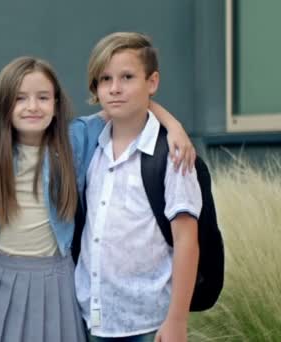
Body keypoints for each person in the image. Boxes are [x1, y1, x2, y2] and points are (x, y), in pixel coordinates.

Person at [0, 56, 195, 342]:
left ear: (56, 103)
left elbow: (126, 106)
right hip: (4, 277)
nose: (32, 107)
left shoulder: (75, 138)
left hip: (57, 278)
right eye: (19, 98)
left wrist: (175, 127)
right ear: (5, 105)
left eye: (43, 97)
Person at [75, 32, 201, 342]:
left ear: (152, 82)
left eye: (127, 77)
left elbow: (186, 240)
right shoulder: (90, 144)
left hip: (149, 323)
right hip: (91, 317)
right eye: (105, 79)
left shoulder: (172, 155)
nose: (115, 88)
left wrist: (177, 320)